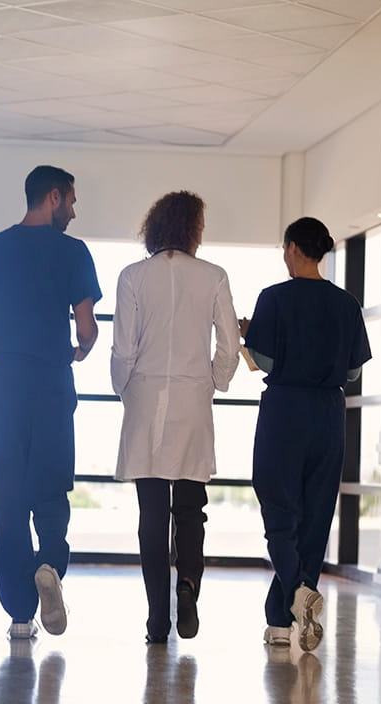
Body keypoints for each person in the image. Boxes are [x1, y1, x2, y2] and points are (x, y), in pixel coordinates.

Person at [0, 165, 102, 640]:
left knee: (9, 498)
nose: (74, 212)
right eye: (72, 202)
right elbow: (85, 327)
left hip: (4, 385)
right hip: (51, 382)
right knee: (51, 486)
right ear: (53, 197)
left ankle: (20, 614)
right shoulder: (73, 253)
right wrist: (84, 347)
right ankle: (50, 565)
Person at [110, 191, 242, 643]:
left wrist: (124, 389)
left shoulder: (132, 277)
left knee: (151, 515)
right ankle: (187, 585)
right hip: (192, 402)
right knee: (190, 510)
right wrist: (215, 382)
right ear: (193, 229)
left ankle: (155, 621)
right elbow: (228, 344)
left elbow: (123, 348)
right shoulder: (213, 277)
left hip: (146, 399)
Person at [240, 216, 371, 652]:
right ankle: (282, 622)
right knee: (315, 518)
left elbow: (261, 362)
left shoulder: (274, 298)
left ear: (294, 248)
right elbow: (352, 370)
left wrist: (245, 337)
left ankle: (297, 594)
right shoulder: (347, 303)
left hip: (285, 411)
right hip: (330, 413)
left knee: (280, 513)